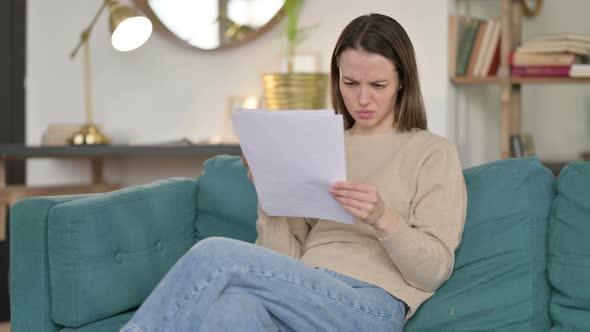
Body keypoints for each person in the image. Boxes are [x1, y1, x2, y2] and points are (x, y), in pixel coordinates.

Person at [120, 13, 466, 332]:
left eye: (377, 85)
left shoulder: (432, 152)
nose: (362, 99)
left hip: (368, 306)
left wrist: (382, 217)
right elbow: (283, 260)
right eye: (350, 83)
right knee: (232, 309)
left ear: (402, 82)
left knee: (215, 255)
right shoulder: (321, 143)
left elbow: (433, 272)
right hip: (300, 291)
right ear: (337, 80)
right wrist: (271, 195)